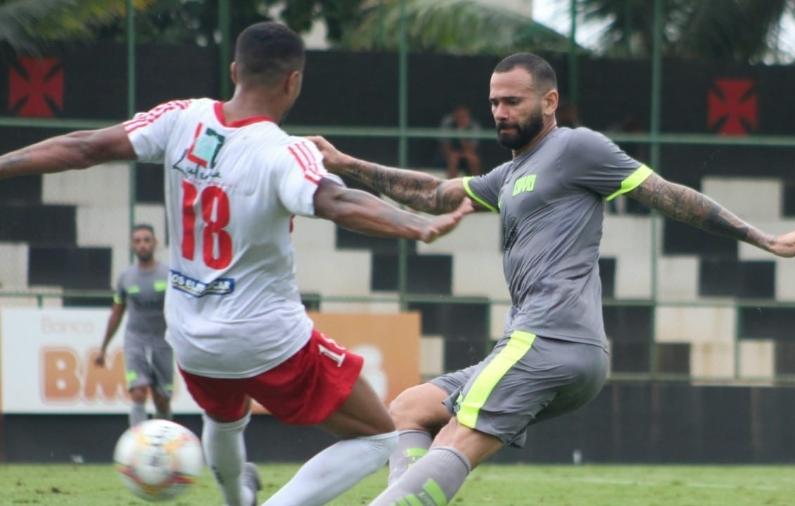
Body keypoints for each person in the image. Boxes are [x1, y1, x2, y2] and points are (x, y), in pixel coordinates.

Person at [309, 52, 795, 505]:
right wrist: (345, 162)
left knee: (454, 443)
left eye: (513, 101)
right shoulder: (510, 176)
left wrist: (765, 240)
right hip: (550, 347)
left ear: (549, 101)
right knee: (409, 410)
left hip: (549, 338)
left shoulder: (579, 148)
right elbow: (434, 195)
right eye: (494, 102)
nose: (500, 113)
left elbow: (668, 194)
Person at [0, 22, 471, 506]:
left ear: (234, 70)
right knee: (378, 437)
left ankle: (235, 500)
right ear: (294, 81)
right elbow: (337, 201)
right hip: (265, 336)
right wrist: (413, 226)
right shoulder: (282, 152)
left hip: (190, 337)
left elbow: (83, 148)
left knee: (224, 419)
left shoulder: (182, 117)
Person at [96, 224, 172, 427]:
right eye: (137, 241)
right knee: (138, 391)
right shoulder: (126, 277)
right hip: (135, 340)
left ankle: (162, 442)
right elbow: (116, 313)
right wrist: (103, 348)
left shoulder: (168, 275)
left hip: (163, 341)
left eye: (147, 240)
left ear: (155, 243)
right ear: (132, 245)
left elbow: (181, 311)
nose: (142, 245)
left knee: (161, 398)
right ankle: (138, 444)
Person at [439, 105, 482, 178]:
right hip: (451, 153)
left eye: (464, 116)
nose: (461, 118)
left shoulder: (473, 125)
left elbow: (472, 148)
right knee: (453, 160)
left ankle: (476, 186)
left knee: (473, 160)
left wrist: (462, 133)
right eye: (459, 116)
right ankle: (450, 185)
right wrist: (452, 154)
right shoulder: (448, 123)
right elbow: (445, 145)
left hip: (466, 152)